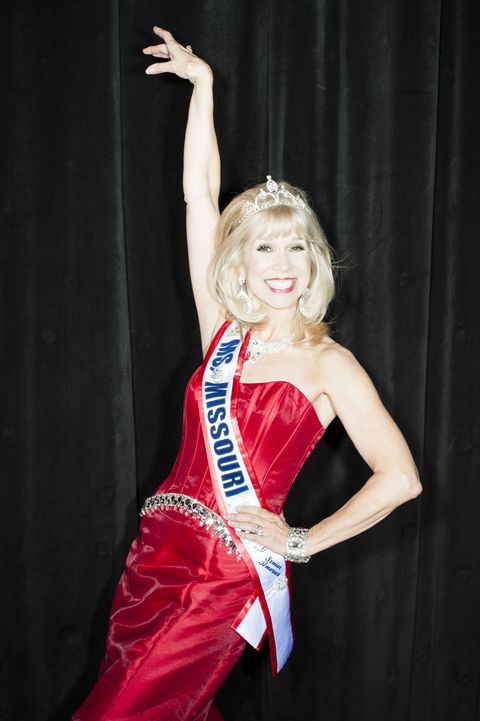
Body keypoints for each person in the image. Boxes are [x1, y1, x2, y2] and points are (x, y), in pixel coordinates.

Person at [72, 26, 422, 721]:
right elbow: (200, 197)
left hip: (224, 576)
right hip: (156, 555)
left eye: (297, 245)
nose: (283, 261)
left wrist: (300, 541)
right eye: (265, 246)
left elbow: (402, 478)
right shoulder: (222, 333)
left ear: (314, 260)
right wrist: (202, 87)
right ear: (243, 264)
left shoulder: (330, 362)